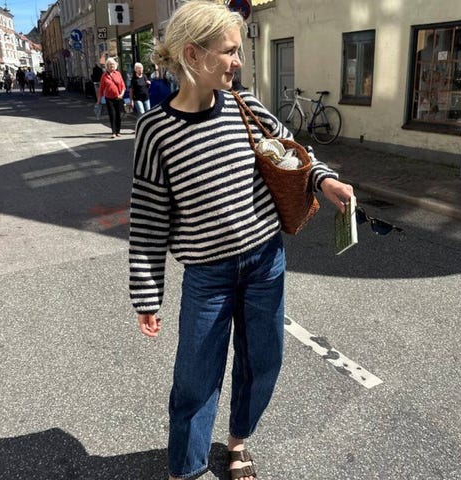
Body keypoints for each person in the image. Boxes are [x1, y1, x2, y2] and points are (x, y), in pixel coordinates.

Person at [129, 2, 354, 480]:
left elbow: (293, 152)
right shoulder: (155, 130)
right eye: (229, 51)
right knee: (195, 378)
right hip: (206, 276)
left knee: (262, 360)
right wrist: (147, 294)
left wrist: (325, 179)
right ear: (193, 54)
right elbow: (148, 218)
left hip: (265, 261)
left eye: (238, 51)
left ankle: (237, 442)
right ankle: (186, 468)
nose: (238, 61)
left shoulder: (244, 105)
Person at [96, 57, 125, 138]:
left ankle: (118, 131)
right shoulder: (104, 76)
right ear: (107, 66)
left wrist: (121, 94)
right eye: (110, 64)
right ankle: (113, 132)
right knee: (112, 115)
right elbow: (101, 89)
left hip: (118, 97)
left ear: (115, 65)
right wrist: (99, 100)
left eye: (113, 64)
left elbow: (123, 86)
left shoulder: (118, 74)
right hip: (109, 98)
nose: (111, 66)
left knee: (118, 115)